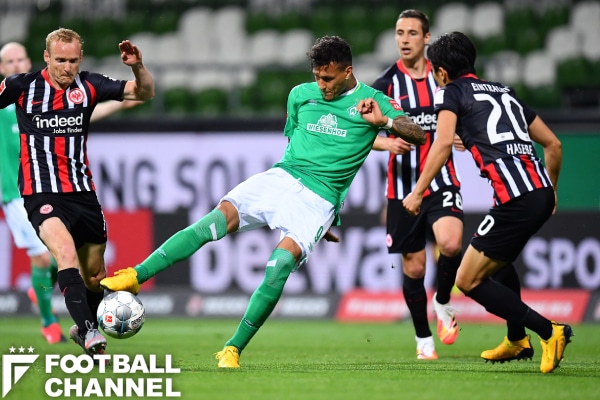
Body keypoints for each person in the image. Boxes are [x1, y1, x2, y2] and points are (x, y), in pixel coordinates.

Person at [100, 35, 426, 368]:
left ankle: (233, 349)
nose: (322, 85)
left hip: (318, 200)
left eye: (328, 78)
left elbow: (418, 134)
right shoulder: (300, 95)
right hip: (281, 177)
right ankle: (135, 275)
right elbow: (299, 142)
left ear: (347, 71)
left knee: (279, 265)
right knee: (212, 222)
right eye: (317, 77)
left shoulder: (373, 101)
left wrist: (384, 123)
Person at [402, 31, 571, 373]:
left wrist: (418, 191)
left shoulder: (450, 92)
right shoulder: (504, 91)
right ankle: (516, 339)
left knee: (467, 280)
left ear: (442, 72)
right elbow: (553, 145)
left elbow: (442, 144)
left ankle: (549, 331)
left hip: (515, 198)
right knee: (499, 264)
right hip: (537, 191)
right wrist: (552, 190)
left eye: (435, 71)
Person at [0, 29, 154, 356]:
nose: (66, 67)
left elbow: (144, 93)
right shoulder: (21, 87)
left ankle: (83, 327)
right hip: (40, 192)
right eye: (60, 60)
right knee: (64, 254)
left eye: (72, 60)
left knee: (95, 275)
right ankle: (89, 332)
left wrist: (137, 67)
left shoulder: (90, 85)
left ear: (80, 58)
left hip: (82, 193)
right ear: (46, 57)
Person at [371, 9, 463, 360]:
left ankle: (443, 301)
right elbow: (359, 132)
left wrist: (462, 135)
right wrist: (386, 143)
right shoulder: (386, 84)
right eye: (399, 33)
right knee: (414, 267)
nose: (405, 39)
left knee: (451, 244)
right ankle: (424, 339)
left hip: (441, 180)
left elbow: (466, 112)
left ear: (426, 38)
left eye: (412, 33)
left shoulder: (445, 78)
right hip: (402, 188)